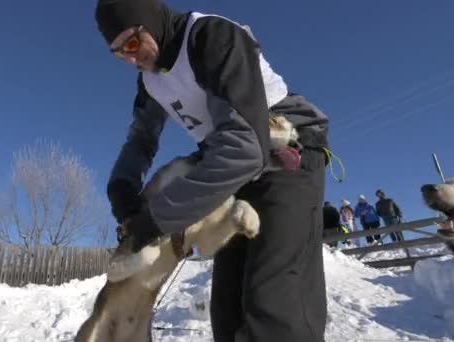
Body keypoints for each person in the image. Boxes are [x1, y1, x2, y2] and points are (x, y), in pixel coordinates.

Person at [94, 0, 330, 341]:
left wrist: (158, 220)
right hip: (231, 175)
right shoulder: (150, 82)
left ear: (149, 21)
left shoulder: (209, 38)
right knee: (228, 312)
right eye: (119, 54)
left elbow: (244, 148)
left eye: (131, 43)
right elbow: (141, 138)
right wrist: (122, 186)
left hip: (286, 153)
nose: (131, 59)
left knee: (274, 304)